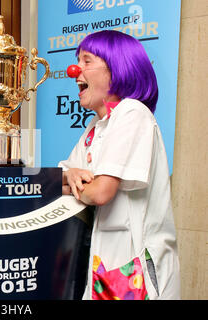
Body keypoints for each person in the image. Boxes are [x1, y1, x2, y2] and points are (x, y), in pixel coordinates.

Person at [60, 30, 180, 300]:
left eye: (87, 61)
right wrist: (68, 175)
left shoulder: (132, 113)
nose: (75, 70)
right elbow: (59, 176)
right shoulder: (97, 125)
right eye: (78, 60)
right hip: (106, 266)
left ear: (116, 69)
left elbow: (100, 192)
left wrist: (72, 183)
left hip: (135, 267)